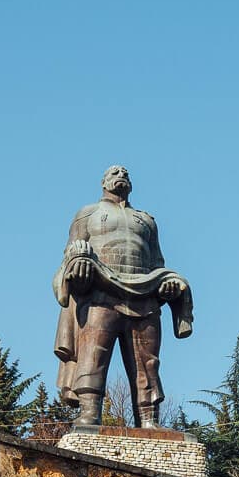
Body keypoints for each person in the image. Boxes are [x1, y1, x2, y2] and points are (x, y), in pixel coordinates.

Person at [53, 165, 193, 428]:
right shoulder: (87, 214)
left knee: (148, 363)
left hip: (144, 296)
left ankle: (148, 419)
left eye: (125, 174)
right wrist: (78, 257)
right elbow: (69, 254)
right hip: (100, 295)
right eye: (114, 173)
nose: (121, 175)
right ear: (103, 182)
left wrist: (167, 286)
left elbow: (157, 263)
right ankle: (89, 413)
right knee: (93, 355)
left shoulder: (146, 220)